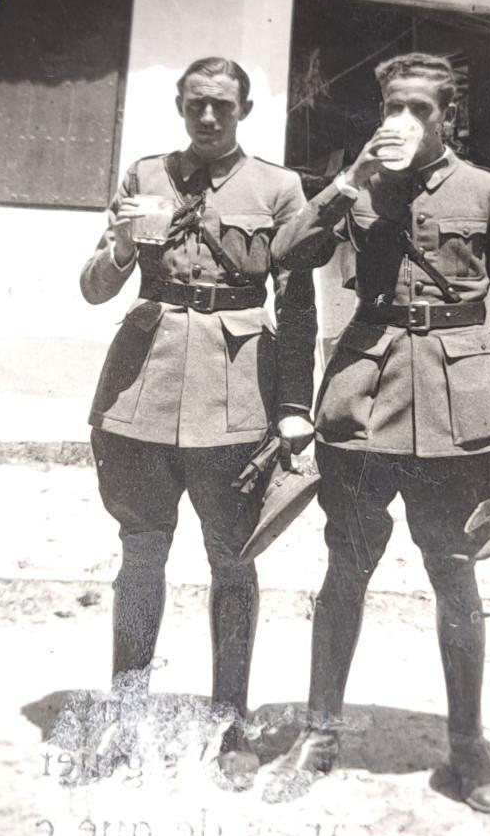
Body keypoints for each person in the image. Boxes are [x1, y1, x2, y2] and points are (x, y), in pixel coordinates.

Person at [271, 53, 490, 814]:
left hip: (458, 406)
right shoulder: (361, 184)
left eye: (421, 109)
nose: (405, 121)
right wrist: (349, 181)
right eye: (395, 107)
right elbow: (287, 254)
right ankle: (320, 733)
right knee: (346, 568)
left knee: (454, 572)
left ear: (447, 116)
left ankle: (467, 745)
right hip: (364, 397)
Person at [80, 57, 316, 786]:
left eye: (222, 105)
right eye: (195, 105)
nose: (208, 117)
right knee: (140, 556)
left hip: (236, 395)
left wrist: (293, 407)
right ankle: (124, 718)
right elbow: (93, 287)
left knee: (233, 560)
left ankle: (232, 725)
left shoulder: (278, 188)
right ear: (180, 106)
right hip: (139, 392)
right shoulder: (146, 175)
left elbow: (298, 308)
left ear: (244, 109)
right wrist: (123, 247)